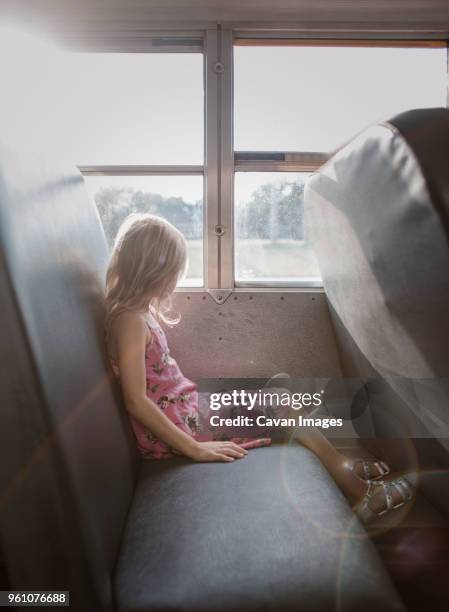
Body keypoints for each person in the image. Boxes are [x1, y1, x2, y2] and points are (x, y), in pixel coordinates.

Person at [104, 213, 413, 524]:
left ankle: (343, 463)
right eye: (171, 272)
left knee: (278, 394)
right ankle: (361, 492)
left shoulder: (137, 313)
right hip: (184, 426)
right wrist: (193, 448)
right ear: (151, 271)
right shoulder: (130, 320)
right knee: (281, 406)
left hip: (189, 410)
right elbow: (136, 400)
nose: (174, 282)